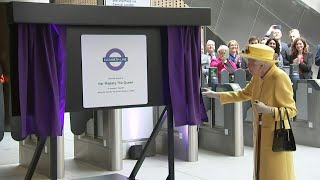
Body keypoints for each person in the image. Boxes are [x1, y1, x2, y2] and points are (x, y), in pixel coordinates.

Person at [203, 44, 297, 180]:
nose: (249, 66)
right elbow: (243, 94)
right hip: (259, 135)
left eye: (252, 62)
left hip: (276, 137)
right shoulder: (257, 77)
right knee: (260, 172)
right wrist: (217, 95)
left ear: (263, 64)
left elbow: (291, 110)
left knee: (276, 173)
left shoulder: (279, 77)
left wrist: (268, 110)